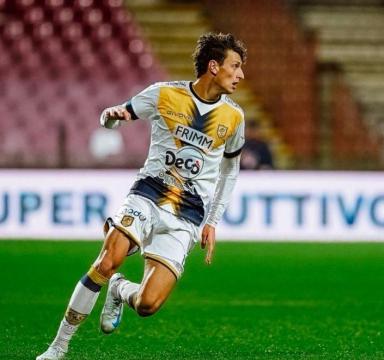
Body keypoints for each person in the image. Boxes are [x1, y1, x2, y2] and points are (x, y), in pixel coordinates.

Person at [37, 32, 247, 360]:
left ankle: (119, 288)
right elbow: (116, 116)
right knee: (107, 259)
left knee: (148, 305)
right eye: (235, 66)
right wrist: (110, 117)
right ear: (214, 67)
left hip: (188, 214)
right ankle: (58, 347)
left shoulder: (234, 117)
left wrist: (212, 221)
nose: (241, 74)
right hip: (149, 194)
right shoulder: (163, 95)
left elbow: (229, 172)